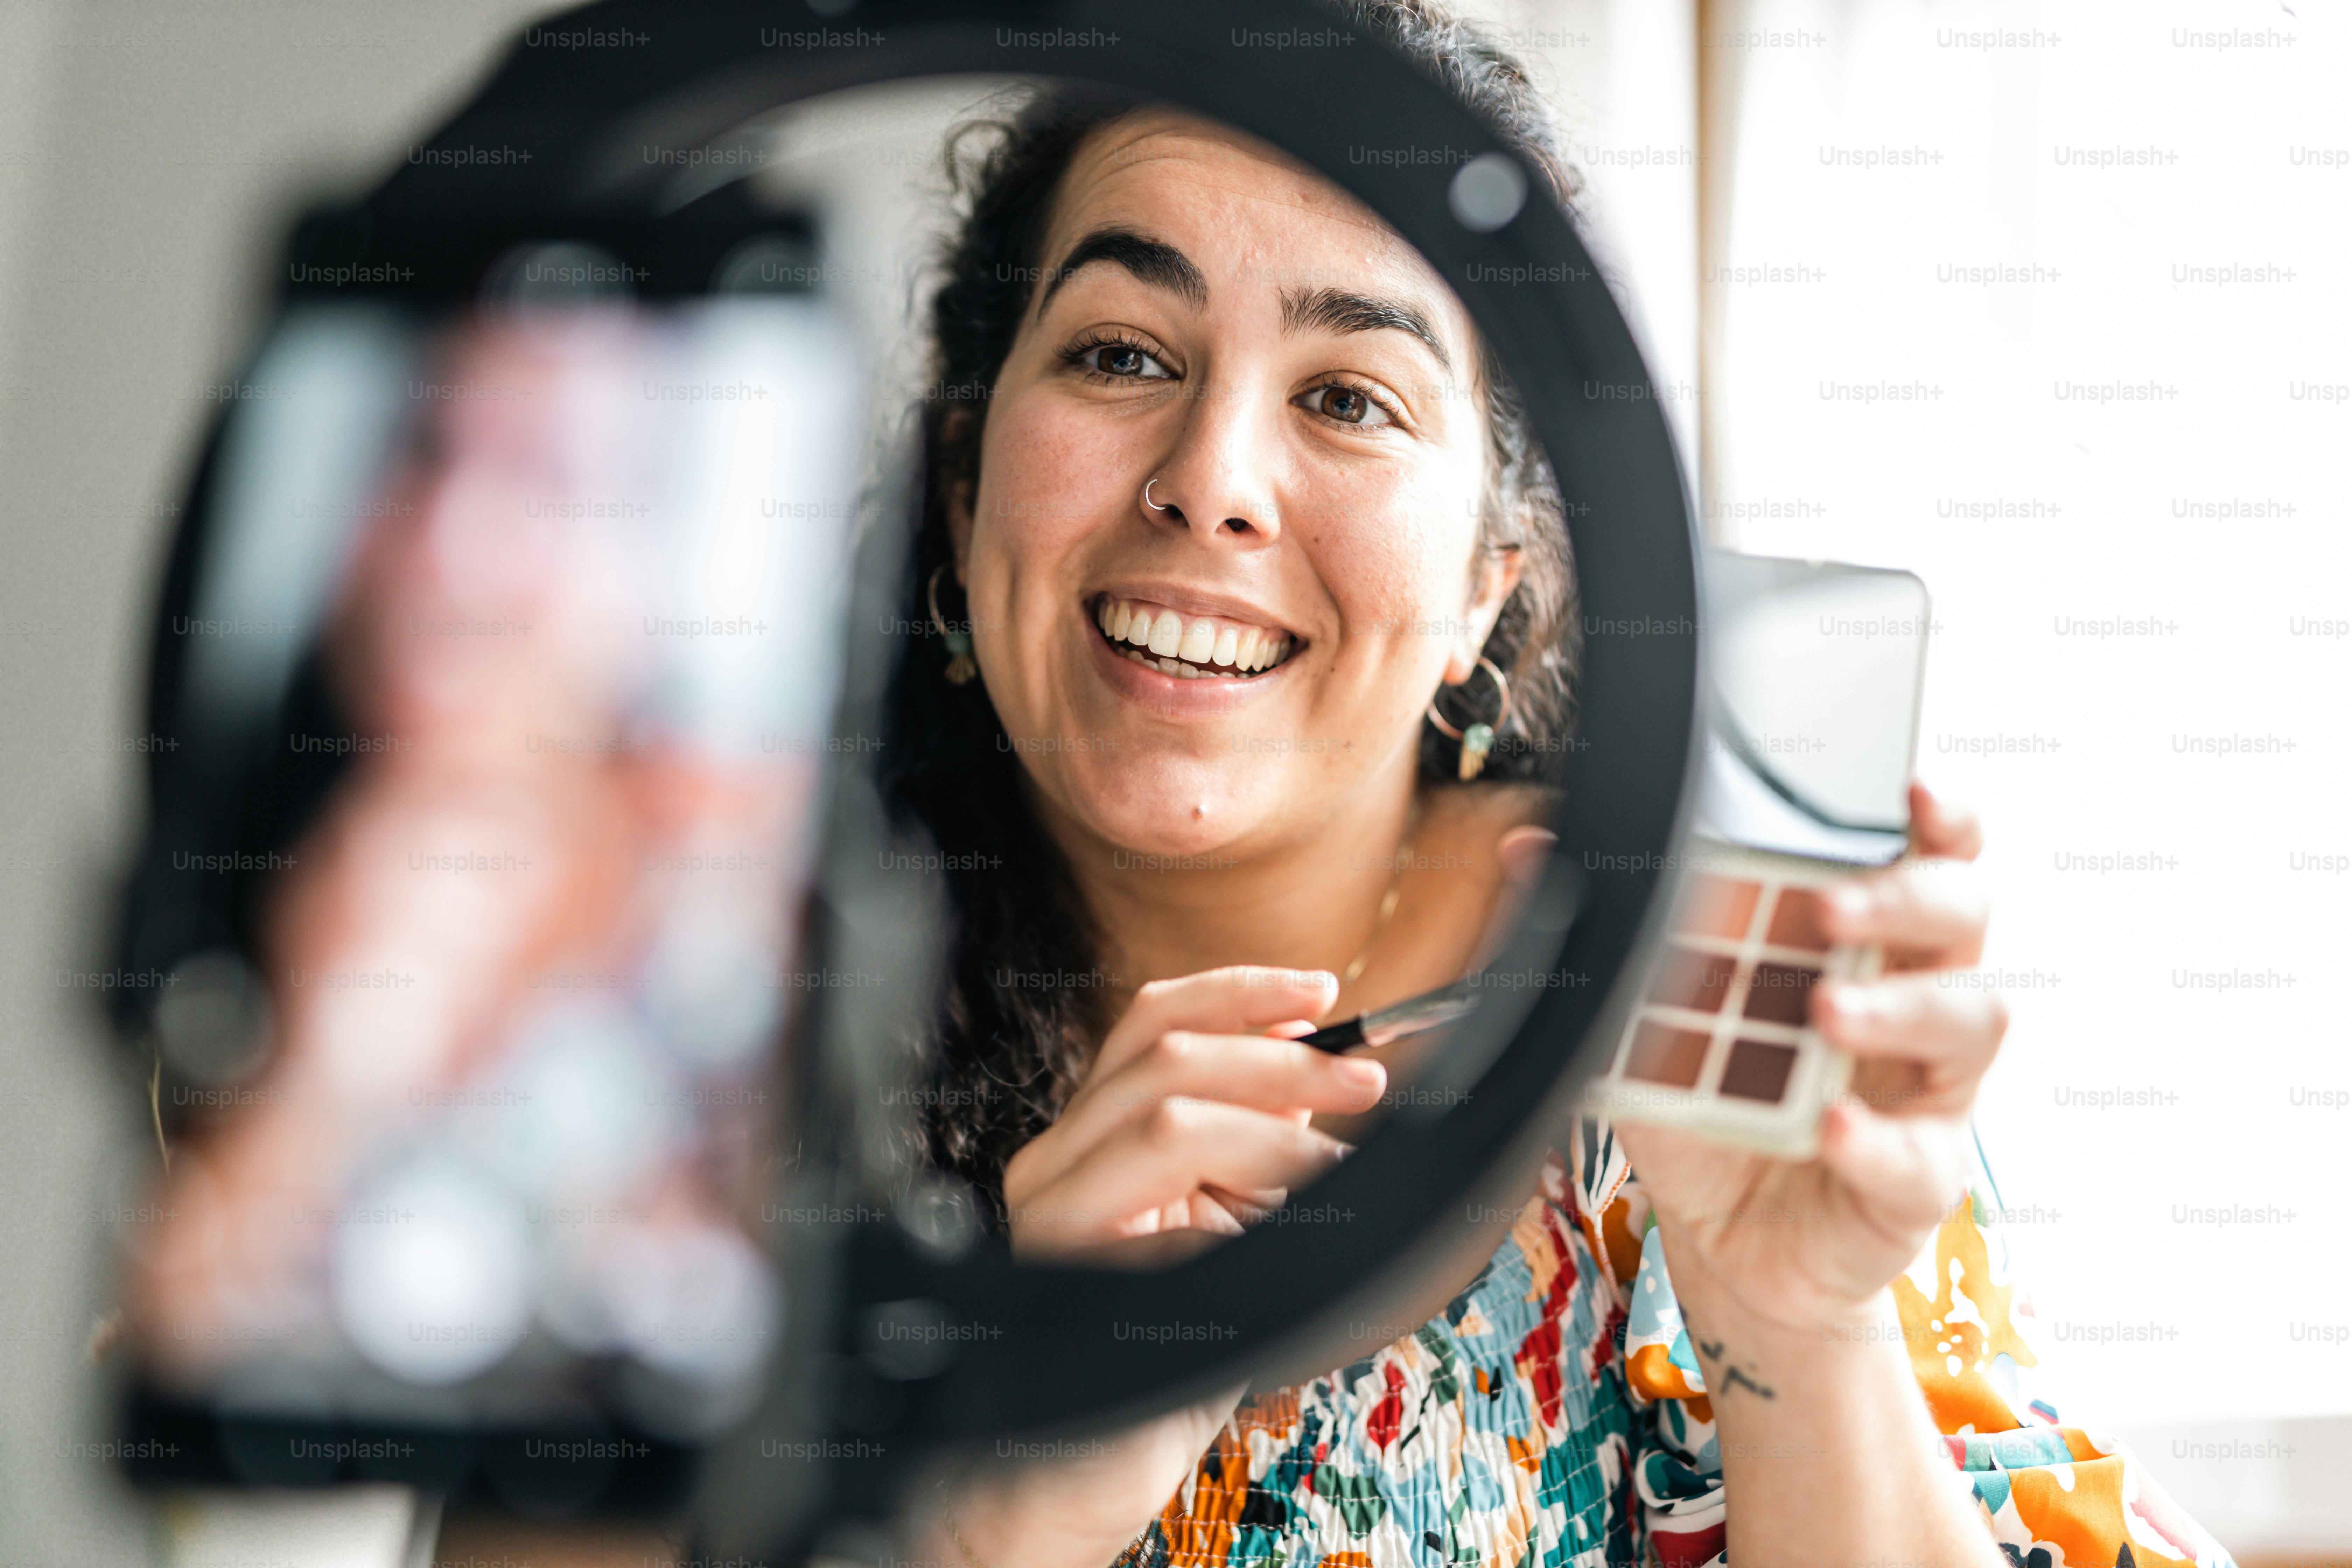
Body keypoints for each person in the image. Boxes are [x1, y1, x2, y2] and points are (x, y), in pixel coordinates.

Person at [888, 6, 2236, 1567]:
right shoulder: (677, 1034)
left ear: (1484, 590)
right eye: (1123, 354)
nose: (1215, 478)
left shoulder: (1709, 1011)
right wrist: (990, 1530)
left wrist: (1793, 1328)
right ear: (968, 480)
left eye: (1350, 397)